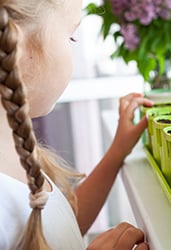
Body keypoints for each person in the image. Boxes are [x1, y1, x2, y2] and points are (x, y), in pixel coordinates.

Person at [0, 0, 153, 249]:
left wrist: (117, 152)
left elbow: (58, 227)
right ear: (17, 48)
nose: (74, 45)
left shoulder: (14, 151)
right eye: (71, 37)